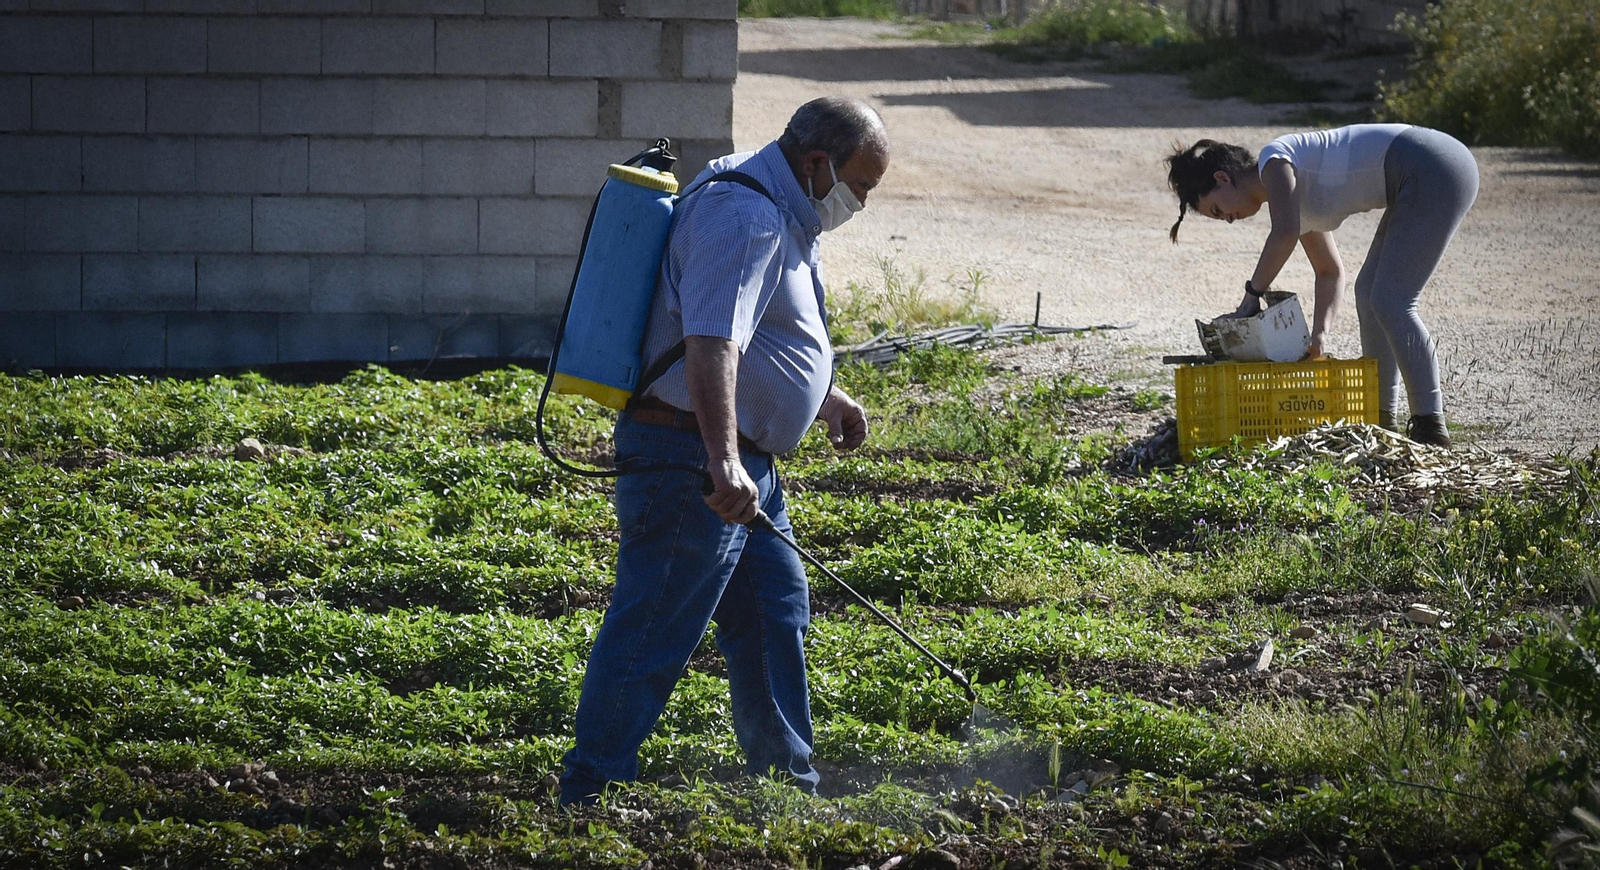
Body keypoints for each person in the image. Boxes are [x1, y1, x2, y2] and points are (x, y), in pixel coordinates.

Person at [558, 96, 888, 806]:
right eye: (861, 186)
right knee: (654, 623)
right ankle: (589, 790)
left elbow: (759, 333)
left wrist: (822, 395)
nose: (861, 202)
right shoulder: (745, 215)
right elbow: (711, 344)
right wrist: (723, 460)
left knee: (773, 611)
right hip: (693, 459)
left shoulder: (780, 203)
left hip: (736, 459)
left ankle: (784, 787)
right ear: (816, 163)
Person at [1164, 124, 1480, 447]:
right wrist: (1320, 334)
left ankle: (1431, 428)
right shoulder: (1289, 200)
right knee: (1369, 293)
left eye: (1219, 210)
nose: (1228, 220)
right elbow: (1329, 272)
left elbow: (1284, 233)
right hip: (1419, 173)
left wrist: (1251, 296)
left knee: (1391, 300)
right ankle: (1383, 423)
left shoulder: (1275, 162)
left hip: (1434, 165)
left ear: (1222, 178)